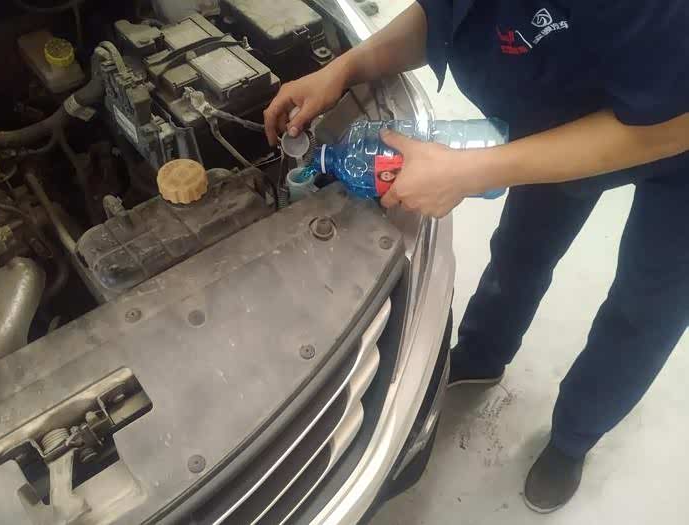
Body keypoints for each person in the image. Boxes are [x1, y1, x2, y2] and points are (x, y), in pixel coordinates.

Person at [263, 0, 689, 513]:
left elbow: (669, 127)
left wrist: (473, 171)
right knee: (521, 248)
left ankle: (574, 437)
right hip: (566, 103)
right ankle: (483, 354)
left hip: (677, 129)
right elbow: (443, 14)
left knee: (646, 306)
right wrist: (346, 68)